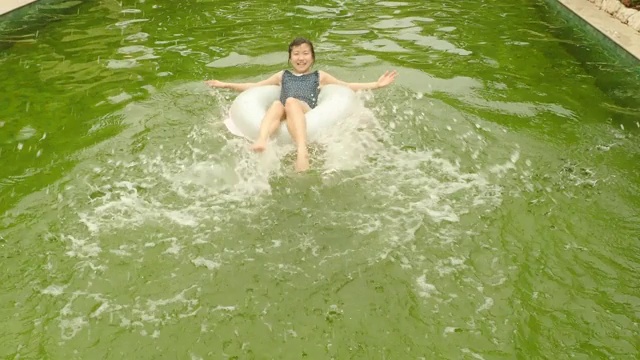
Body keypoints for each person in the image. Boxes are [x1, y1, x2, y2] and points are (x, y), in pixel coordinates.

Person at [206, 37, 397, 172]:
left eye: (305, 53)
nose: (301, 58)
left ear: (312, 57)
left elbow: (347, 87)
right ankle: (262, 140)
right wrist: (226, 84)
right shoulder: (283, 75)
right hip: (284, 112)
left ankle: (302, 151)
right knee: (276, 105)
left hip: (304, 111)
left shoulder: (319, 76)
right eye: (296, 54)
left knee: (290, 101)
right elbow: (254, 87)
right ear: (290, 58)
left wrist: (376, 85)